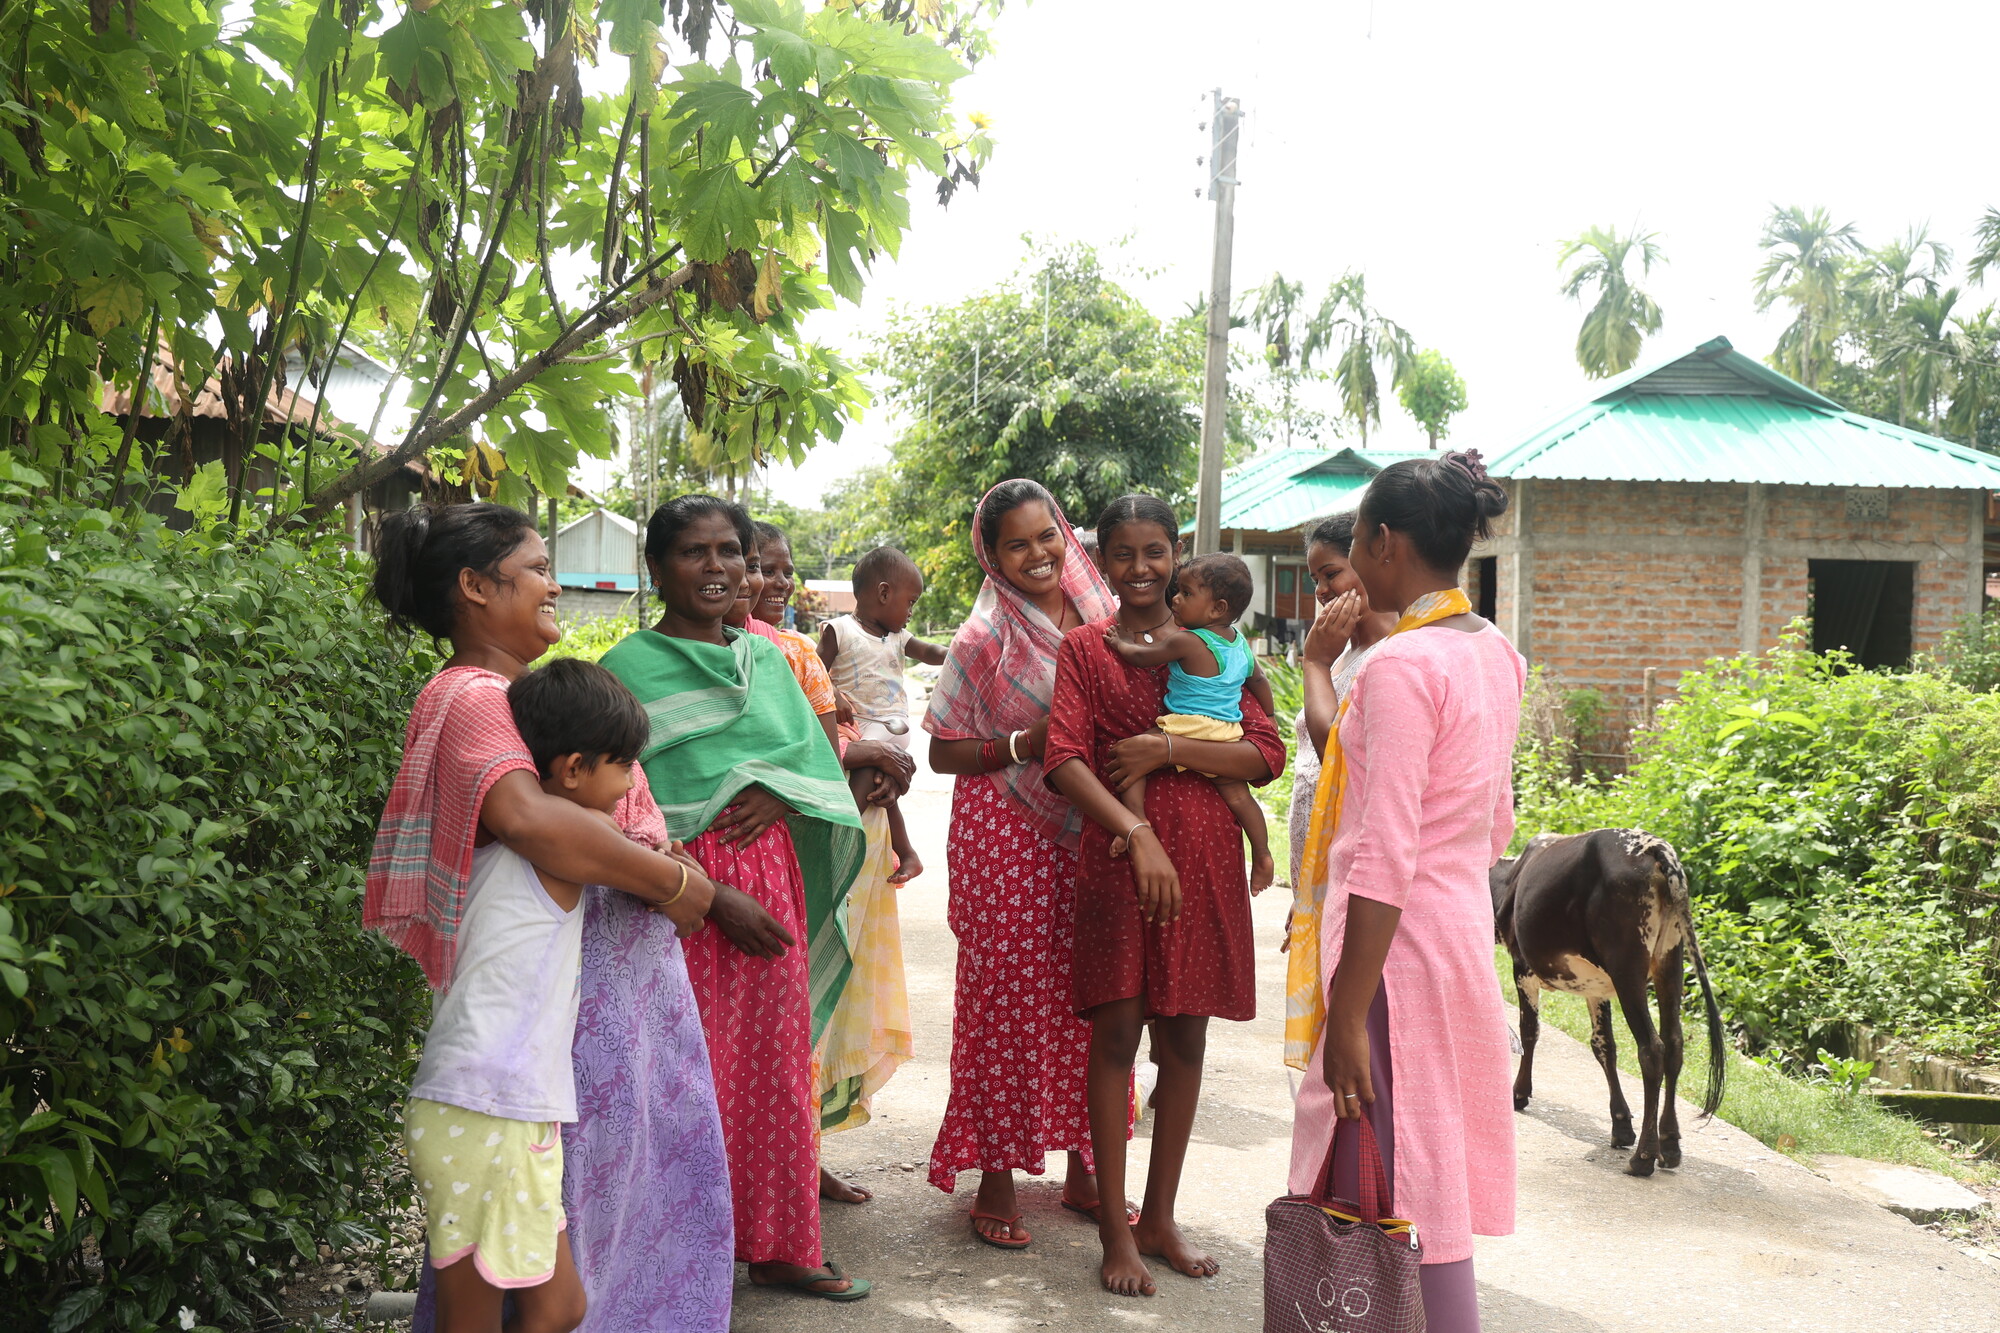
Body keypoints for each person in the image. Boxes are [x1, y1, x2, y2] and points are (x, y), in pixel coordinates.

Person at [364, 502, 720, 1333]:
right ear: (474, 586)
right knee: (508, 1302)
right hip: (498, 1082)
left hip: (525, 1075)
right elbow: (531, 819)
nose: (554, 584)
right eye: (536, 568)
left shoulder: (507, 694)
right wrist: (676, 883)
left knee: (553, 1296)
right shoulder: (474, 695)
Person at [600, 495, 872, 1303]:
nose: (717, 567)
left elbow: (814, 764)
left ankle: (781, 1244)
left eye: (731, 551)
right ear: (657, 568)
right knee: (682, 1072)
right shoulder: (625, 669)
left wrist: (782, 792)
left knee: (776, 1066)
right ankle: (677, 1254)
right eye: (695, 551)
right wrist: (712, 895)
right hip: (674, 891)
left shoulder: (770, 661)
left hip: (772, 880)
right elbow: (613, 800)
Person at [1287, 451, 1524, 1333]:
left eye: (1355, 539)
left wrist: (1349, 1013)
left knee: (1383, 1182)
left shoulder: (1398, 666)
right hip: (1456, 935)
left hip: (1390, 956)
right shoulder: (1496, 652)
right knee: (1429, 1172)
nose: (1353, 556)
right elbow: (1495, 822)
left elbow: (1386, 853)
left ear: (1385, 542)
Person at [1044, 493, 1285, 1297]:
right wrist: (1137, 832)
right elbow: (1064, 757)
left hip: (1207, 862)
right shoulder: (1085, 648)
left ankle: (1159, 1217)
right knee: (1116, 1037)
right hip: (1121, 859)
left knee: (1185, 1041)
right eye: (1123, 553)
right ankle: (1115, 1230)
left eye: (1156, 551)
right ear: (1101, 560)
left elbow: (1265, 752)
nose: (1141, 567)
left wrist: (1167, 746)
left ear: (1177, 554)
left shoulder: (1220, 644)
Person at [922, 479, 1124, 1251]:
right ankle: (997, 1176)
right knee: (1005, 995)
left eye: (1048, 536)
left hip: (1091, 822)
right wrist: (1023, 744)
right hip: (1004, 825)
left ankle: (1087, 1169)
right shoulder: (984, 637)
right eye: (1017, 543)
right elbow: (943, 750)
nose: (1038, 554)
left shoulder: (1106, 616)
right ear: (993, 556)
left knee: (1092, 989)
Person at [753, 519, 914, 1202]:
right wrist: (870, 754)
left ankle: (802, 1155)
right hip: (787, 848)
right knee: (791, 1004)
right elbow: (808, 749)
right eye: (762, 566)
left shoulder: (795, 649)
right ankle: (775, 1167)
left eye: (783, 570)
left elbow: (834, 734)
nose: (775, 582)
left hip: (854, 830)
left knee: (829, 997)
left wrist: (882, 771)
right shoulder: (763, 651)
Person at [1102, 551, 1277, 895]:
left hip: (1186, 726)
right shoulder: (1241, 645)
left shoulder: (1188, 640)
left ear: (1217, 608)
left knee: (1133, 756)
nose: (1176, 599)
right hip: (1226, 734)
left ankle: (1135, 821)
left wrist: (1120, 643)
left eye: (1186, 593)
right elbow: (1259, 682)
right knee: (1240, 799)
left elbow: (1144, 657)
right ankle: (1263, 852)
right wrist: (1269, 716)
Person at [819, 547, 948, 882]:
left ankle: (837, 837)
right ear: (884, 593)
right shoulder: (839, 629)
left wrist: (957, 652)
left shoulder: (899, 637)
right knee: (880, 790)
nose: (911, 612)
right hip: (857, 727)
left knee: (867, 775)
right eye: (910, 602)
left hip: (890, 727)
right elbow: (814, 671)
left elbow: (929, 651)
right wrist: (833, 693)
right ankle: (907, 853)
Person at [1285, 512, 1397, 891]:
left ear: (1368, 564)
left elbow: (1336, 753)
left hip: (1349, 871)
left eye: (1331, 574)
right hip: (1314, 875)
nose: (1321, 590)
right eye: (1315, 579)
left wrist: (1314, 661)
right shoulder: (1342, 656)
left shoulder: (1390, 656)